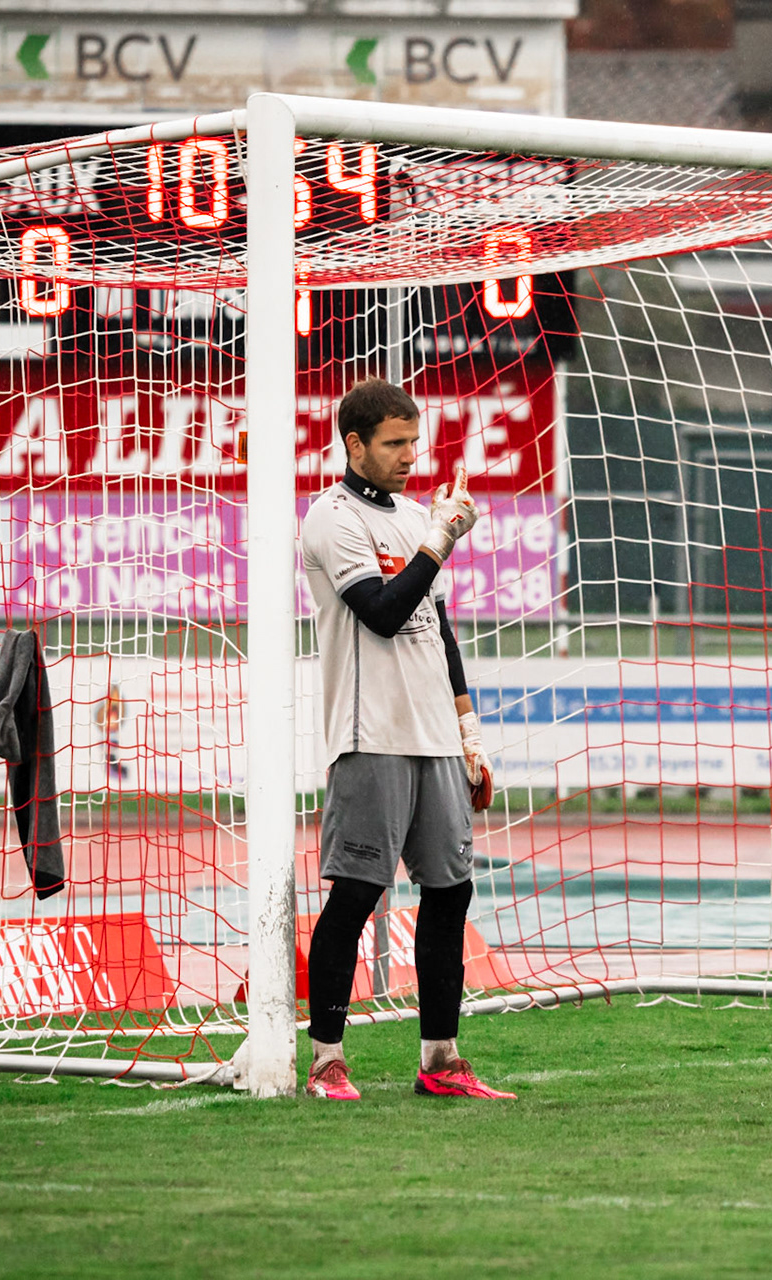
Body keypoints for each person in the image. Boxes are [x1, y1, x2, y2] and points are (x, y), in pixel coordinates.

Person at [297, 376, 511, 1101]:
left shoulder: (416, 515)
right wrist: (442, 539)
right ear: (354, 443)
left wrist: (467, 727)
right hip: (373, 734)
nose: (409, 456)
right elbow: (383, 614)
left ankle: (441, 1060)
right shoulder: (331, 520)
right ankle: (327, 1060)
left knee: (451, 892)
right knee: (357, 895)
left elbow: (436, 631)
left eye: (413, 442)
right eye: (393, 443)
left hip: (434, 740)